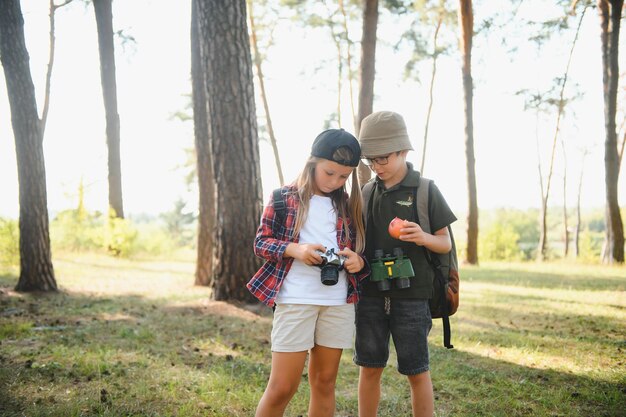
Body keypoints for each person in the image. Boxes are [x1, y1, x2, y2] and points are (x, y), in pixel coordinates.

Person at [248, 128, 370, 417]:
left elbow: (361, 252)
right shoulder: (283, 198)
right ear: (312, 163)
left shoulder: (349, 204)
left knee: (325, 383)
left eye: (344, 176)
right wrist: (296, 250)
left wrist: (358, 262)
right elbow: (260, 243)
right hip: (296, 299)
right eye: (329, 173)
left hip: (338, 302)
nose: (336, 182)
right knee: (282, 387)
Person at [353, 111, 457, 417]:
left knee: (416, 370)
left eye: (383, 158)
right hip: (371, 294)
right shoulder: (366, 192)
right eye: (370, 160)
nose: (376, 166)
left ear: (403, 151)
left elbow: (445, 243)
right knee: (369, 367)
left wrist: (422, 237)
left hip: (413, 296)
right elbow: (359, 242)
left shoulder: (425, 189)